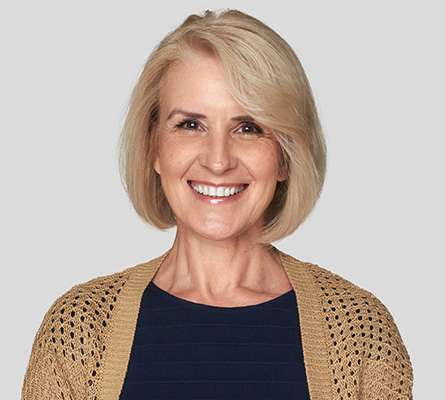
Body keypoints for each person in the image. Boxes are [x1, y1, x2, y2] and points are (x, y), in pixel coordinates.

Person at [22, 10, 412, 400]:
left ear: (285, 156)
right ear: (154, 146)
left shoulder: (360, 333)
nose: (218, 160)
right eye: (191, 124)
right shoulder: (80, 331)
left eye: (249, 127)